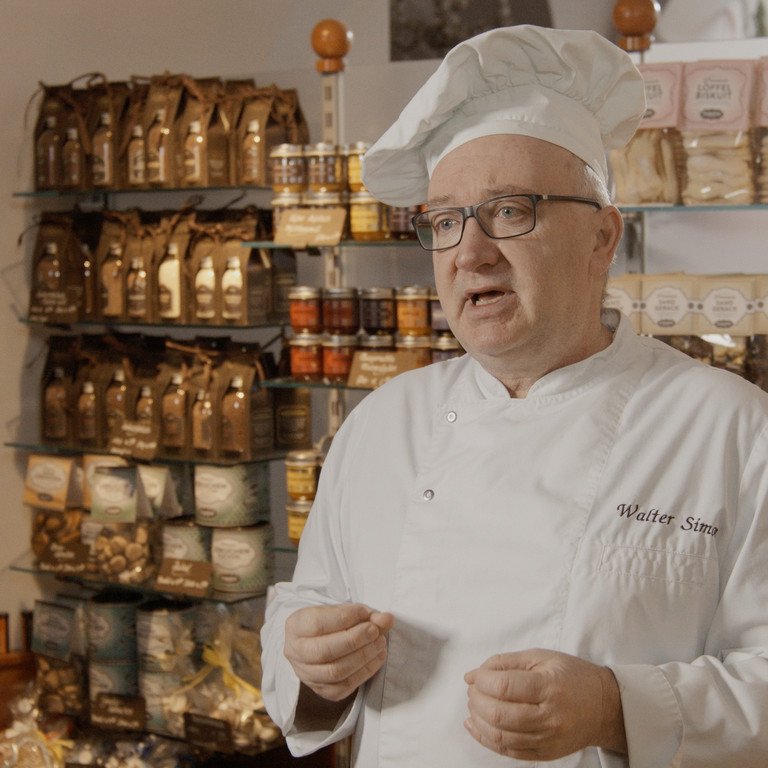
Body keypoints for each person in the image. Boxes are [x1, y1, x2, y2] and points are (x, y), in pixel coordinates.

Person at [261, 25, 768, 767]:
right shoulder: (383, 423)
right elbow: (304, 611)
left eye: (510, 210)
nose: (470, 252)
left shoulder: (728, 429)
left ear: (604, 238)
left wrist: (612, 706)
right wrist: (313, 660)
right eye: (443, 221)